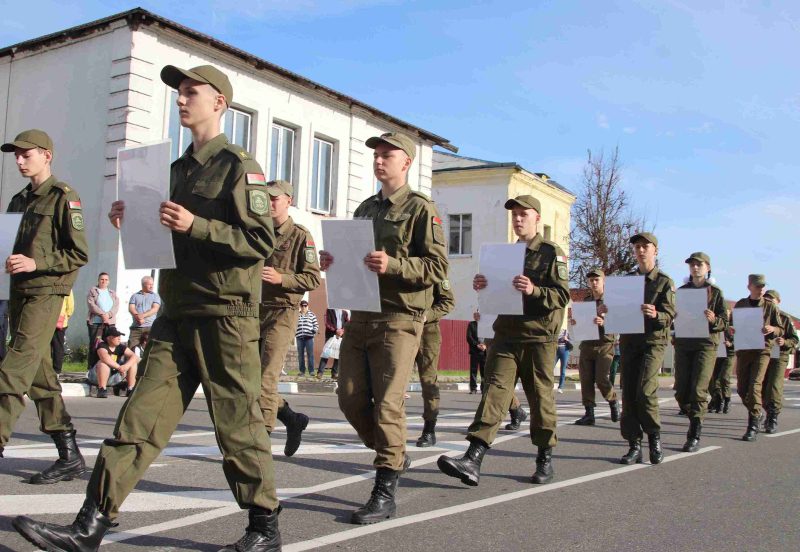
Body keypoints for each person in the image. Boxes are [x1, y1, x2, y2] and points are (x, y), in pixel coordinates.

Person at [13, 64, 282, 551]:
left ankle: (264, 528)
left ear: (219, 102)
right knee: (137, 420)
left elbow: (260, 239)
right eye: (178, 94)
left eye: (190, 92)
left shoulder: (240, 166)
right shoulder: (173, 171)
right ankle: (90, 525)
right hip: (176, 312)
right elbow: (165, 240)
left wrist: (195, 224)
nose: (181, 100)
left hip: (225, 315)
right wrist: (133, 222)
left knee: (237, 424)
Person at [319, 131, 448, 524]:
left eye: (387, 154)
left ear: (405, 162)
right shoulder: (365, 208)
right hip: (362, 315)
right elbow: (356, 260)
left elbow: (438, 268)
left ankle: (384, 488)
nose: (379, 159)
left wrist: (393, 265)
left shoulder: (421, 210)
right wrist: (334, 260)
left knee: (389, 403)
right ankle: (395, 453)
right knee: (350, 398)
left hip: (399, 318)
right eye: (376, 154)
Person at [438, 194, 569, 487]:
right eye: (514, 215)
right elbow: (496, 296)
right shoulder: (504, 256)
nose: (518, 219)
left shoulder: (550, 253)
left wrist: (534, 289)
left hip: (538, 337)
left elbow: (561, 296)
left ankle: (544, 457)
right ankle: (473, 457)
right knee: (494, 391)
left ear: (537, 217)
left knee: (540, 396)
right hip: (507, 334)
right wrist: (483, 286)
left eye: (524, 214)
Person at [0, 129, 89, 485]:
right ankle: (69, 455)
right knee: (41, 379)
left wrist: (37, 263)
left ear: (46, 155)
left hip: (46, 294)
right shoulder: (17, 200)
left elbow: (79, 253)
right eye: (16, 156)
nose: (20, 161)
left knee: (13, 368)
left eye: (27, 154)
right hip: (20, 294)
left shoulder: (63, 197)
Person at [259, 179, 320, 457]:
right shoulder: (256, 229)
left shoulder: (299, 235)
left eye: (275, 198)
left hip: (282, 312)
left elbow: (312, 278)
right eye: (266, 198)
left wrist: (281, 278)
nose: (270, 203)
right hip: (252, 310)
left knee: (265, 378)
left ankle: (261, 440)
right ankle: (292, 419)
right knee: (248, 378)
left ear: (288, 201)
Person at [612, 232, 675, 465]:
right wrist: (608, 310)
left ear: (655, 251)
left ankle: (654, 438)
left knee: (645, 390)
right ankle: (634, 444)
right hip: (630, 341)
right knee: (628, 393)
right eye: (637, 247)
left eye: (645, 246)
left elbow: (670, 315)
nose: (640, 250)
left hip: (653, 341)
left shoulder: (664, 281)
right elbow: (617, 310)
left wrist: (656, 314)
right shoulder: (626, 281)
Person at [672, 252, 727, 452]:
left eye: (699, 265)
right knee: (681, 391)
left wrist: (714, 319)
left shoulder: (715, 292)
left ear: (707, 267)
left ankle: (694, 432)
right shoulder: (682, 291)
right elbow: (673, 315)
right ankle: (695, 416)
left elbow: (724, 322)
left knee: (698, 389)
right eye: (692, 265)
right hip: (685, 343)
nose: (695, 268)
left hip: (706, 344)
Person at [733, 274, 782, 442]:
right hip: (744, 350)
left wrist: (772, 329)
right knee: (741, 388)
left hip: (762, 350)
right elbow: (733, 325)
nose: (761, 289)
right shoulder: (740, 305)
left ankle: (752, 425)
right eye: (757, 286)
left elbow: (780, 328)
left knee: (755, 385)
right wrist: (732, 329)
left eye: (762, 286)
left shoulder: (770, 306)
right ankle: (758, 412)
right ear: (749, 287)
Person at [572, 268, 619, 426]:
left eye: (596, 279)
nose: (594, 282)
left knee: (601, 379)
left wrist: (604, 322)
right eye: (591, 280)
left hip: (604, 344)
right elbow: (582, 320)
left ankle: (613, 401)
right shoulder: (586, 301)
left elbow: (620, 321)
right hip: (587, 343)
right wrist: (576, 323)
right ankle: (589, 413)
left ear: (603, 280)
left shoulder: (611, 301)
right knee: (585, 380)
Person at [415, 278, 455, 447]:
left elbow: (448, 301)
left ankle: (429, 429)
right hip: (399, 329)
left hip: (427, 332)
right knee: (393, 379)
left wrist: (427, 315)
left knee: (428, 380)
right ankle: (389, 429)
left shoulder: (435, 268)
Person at [761, 289, 797, 433]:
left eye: (772, 300)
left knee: (774, 387)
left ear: (778, 302)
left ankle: (773, 416)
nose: (769, 302)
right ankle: (766, 410)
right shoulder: (761, 316)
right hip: (763, 354)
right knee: (761, 388)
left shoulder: (785, 318)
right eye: (766, 299)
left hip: (779, 355)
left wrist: (785, 341)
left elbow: (795, 340)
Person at [88, 327, 138, 398]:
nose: (119, 338)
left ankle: (130, 389)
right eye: (116, 336)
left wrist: (126, 366)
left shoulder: (121, 347)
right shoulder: (102, 346)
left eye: (119, 336)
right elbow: (105, 357)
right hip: (96, 377)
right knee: (103, 363)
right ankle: (102, 389)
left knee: (132, 363)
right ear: (109, 338)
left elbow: (134, 356)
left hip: (114, 377)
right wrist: (119, 367)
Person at [86, 272, 119, 368]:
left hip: (110, 323)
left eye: (106, 279)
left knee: (109, 345)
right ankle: (92, 368)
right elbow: (91, 305)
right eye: (102, 279)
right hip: (96, 323)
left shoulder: (112, 293)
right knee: (95, 345)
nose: (104, 281)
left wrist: (108, 315)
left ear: (109, 281)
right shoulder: (93, 291)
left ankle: (108, 367)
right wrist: (102, 314)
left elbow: (116, 306)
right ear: (98, 280)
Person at [708, 312, 734, 414]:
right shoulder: (715, 323)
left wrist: (731, 344)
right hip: (717, 354)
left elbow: (742, 339)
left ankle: (727, 399)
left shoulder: (732, 327)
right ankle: (718, 400)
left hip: (728, 355)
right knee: (714, 379)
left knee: (725, 377)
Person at [127, 276, 161, 348]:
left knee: (149, 348)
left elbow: (155, 309)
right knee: (131, 347)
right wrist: (138, 317)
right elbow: (131, 308)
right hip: (136, 327)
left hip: (150, 327)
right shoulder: (135, 296)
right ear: (143, 284)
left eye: (152, 284)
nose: (151, 286)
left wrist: (142, 316)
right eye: (149, 284)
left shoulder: (155, 296)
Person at [317, 308, 349, 379]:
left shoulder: (345, 313)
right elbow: (327, 323)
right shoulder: (329, 310)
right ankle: (320, 372)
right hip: (331, 335)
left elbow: (348, 323)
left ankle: (334, 373)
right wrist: (335, 330)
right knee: (326, 353)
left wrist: (343, 330)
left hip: (341, 336)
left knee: (338, 354)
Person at [51, 290, 74, 375]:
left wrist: (65, 316)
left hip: (60, 321)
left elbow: (70, 306)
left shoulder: (67, 288)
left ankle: (56, 370)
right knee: (51, 346)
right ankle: (50, 369)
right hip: (49, 321)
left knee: (57, 346)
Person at [295, 300, 318, 376]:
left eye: (305, 306)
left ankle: (311, 371)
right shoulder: (297, 315)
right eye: (302, 306)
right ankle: (302, 371)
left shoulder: (312, 315)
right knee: (300, 355)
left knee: (310, 355)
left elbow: (316, 325)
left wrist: (314, 330)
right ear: (300, 306)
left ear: (307, 306)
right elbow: (293, 325)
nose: (304, 307)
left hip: (309, 337)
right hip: (299, 337)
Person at [466, 311, 487, 394]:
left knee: (484, 371)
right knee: (473, 371)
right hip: (475, 351)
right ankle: (473, 388)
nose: (476, 316)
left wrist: (485, 345)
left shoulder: (486, 325)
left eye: (477, 315)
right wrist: (477, 345)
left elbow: (490, 337)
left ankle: (484, 388)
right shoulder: (471, 324)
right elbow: (469, 337)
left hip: (484, 352)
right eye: (474, 315)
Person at [554, 328, 571, 393]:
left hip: (565, 350)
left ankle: (560, 387)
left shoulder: (566, 331)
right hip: (556, 350)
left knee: (563, 370)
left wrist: (567, 339)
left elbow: (572, 340)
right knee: (550, 368)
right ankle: (549, 385)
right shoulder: (555, 330)